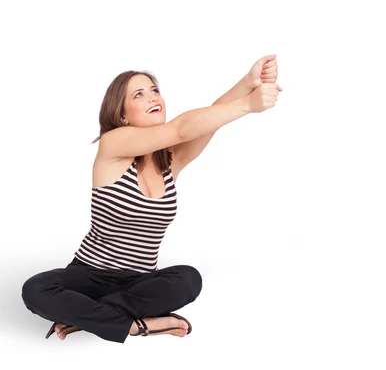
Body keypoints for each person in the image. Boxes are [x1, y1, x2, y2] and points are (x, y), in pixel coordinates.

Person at [21, 55, 282, 343]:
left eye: (154, 90)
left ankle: (87, 319)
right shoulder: (113, 144)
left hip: (140, 281)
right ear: (122, 116)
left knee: (189, 279)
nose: (152, 97)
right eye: (139, 94)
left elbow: (209, 120)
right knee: (35, 289)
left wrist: (247, 83)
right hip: (89, 275)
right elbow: (181, 128)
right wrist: (247, 105)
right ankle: (137, 326)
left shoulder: (172, 161)